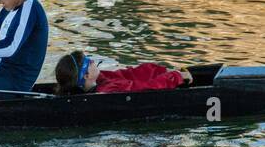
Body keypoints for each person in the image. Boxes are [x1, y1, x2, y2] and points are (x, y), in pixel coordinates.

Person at [53, 51, 192, 95]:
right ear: (86, 75)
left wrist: (162, 71)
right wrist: (176, 77)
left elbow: (131, 74)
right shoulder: (108, 90)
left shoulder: (101, 79)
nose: (94, 62)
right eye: (90, 62)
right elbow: (145, 88)